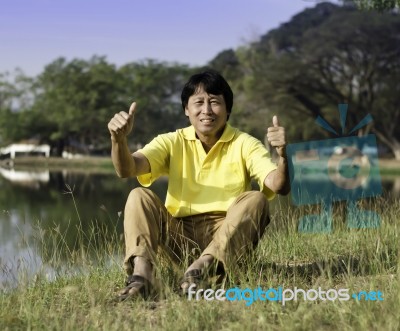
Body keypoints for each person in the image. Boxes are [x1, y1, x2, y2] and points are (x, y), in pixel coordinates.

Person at [107, 70, 290, 301]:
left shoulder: (245, 143)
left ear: (228, 109)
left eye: (214, 102)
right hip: (179, 237)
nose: (207, 110)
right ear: (186, 109)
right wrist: (118, 140)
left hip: (226, 237)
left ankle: (203, 269)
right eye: (199, 102)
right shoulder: (171, 141)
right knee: (138, 195)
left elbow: (278, 184)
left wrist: (283, 156)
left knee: (257, 198)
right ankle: (143, 277)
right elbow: (127, 169)